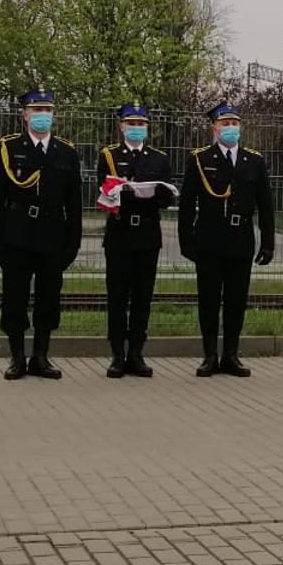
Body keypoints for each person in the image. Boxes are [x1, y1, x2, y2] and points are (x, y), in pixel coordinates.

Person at [0, 89, 83, 381]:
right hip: (16, 236)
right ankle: (17, 357)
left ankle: (41, 356)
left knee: (48, 298)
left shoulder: (66, 151)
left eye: (48, 109)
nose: (43, 115)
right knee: (14, 298)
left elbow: (74, 202)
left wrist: (72, 244)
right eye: (37, 109)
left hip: (53, 236)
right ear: (25, 114)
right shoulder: (9, 148)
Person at [180, 102, 274, 377]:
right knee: (208, 298)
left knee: (236, 299)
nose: (231, 128)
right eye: (225, 124)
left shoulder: (253, 160)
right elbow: (187, 203)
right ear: (214, 128)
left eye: (235, 124)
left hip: (240, 238)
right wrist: (186, 241)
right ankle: (210, 355)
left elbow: (266, 205)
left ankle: (231, 355)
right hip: (209, 237)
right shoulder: (200, 158)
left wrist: (268, 242)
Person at [97, 102, 175, 379]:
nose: (136, 128)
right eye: (131, 123)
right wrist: (135, 194)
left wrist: (142, 193)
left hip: (147, 236)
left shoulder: (159, 158)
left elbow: (166, 197)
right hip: (119, 236)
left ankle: (136, 354)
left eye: (141, 124)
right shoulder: (108, 155)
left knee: (143, 297)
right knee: (117, 297)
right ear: (121, 126)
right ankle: (117, 355)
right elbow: (105, 194)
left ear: (147, 128)